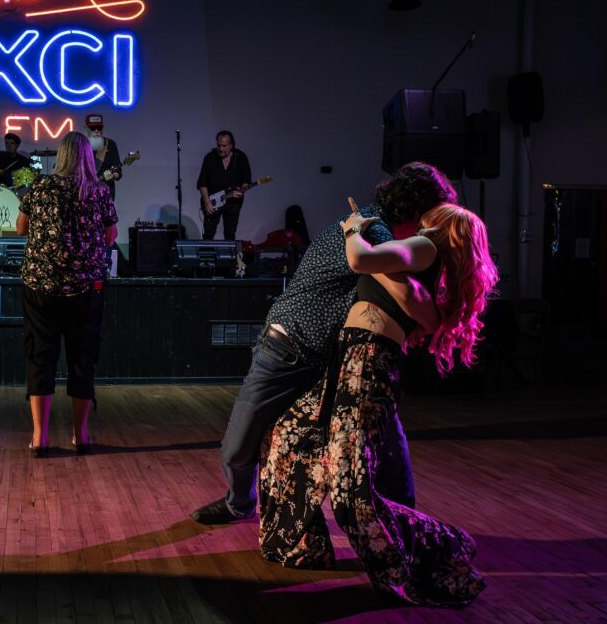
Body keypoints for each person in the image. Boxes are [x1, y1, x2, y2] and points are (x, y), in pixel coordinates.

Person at [258, 201, 497, 607]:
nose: (423, 218)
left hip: (367, 365)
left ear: (441, 227)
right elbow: (404, 295)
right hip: (350, 362)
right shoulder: (419, 269)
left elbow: (359, 260)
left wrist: (354, 227)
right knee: (289, 438)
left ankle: (442, 546)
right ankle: (305, 543)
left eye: (431, 215)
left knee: (351, 490)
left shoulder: (424, 248)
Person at [191, 162, 457, 525]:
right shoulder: (373, 230)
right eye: (430, 215)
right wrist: (433, 319)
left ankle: (400, 514)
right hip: (290, 347)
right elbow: (404, 292)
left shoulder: (372, 228)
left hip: (327, 353)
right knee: (240, 443)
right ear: (416, 208)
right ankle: (241, 504)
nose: (431, 226)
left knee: (380, 434)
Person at [16, 131, 118, 457]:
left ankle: (40, 437)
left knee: (40, 357)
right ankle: (82, 435)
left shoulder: (40, 187)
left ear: (59, 156)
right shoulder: (99, 192)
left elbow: (20, 228)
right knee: (82, 358)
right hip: (85, 288)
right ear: (88, 157)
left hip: (40, 286)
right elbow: (110, 237)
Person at [197, 130, 251, 241]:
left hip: (233, 202)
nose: (221, 149)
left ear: (231, 145)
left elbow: (246, 181)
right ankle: (206, 257)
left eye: (224, 146)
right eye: (219, 145)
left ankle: (228, 257)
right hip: (212, 201)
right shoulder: (210, 158)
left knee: (230, 233)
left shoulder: (241, 157)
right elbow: (202, 182)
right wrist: (207, 202)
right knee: (209, 232)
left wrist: (241, 191)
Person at [86, 114, 122, 198]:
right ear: (87, 129)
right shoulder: (81, 145)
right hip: (87, 193)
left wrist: (113, 175)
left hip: (106, 193)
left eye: (99, 128)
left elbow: (118, 169)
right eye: (92, 128)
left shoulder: (110, 145)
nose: (96, 131)